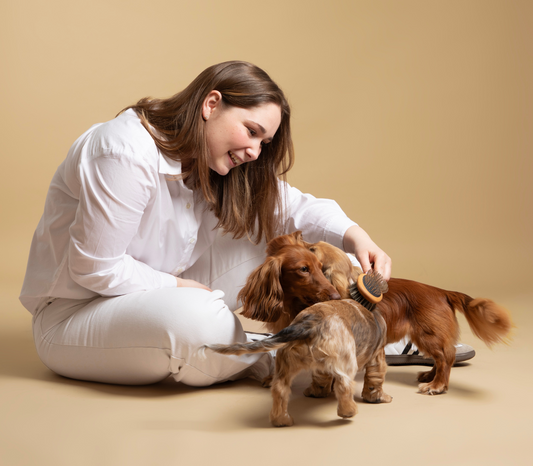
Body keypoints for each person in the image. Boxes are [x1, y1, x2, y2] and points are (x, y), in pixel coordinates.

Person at [19, 60, 468, 387]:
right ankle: (289, 357)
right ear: (211, 104)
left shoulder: (216, 164)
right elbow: (94, 268)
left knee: (296, 257)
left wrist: (357, 236)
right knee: (200, 324)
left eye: (265, 142)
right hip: (77, 315)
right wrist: (189, 291)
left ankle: (366, 339)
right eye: (251, 132)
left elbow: (297, 206)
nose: (255, 151)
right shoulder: (121, 150)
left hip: (161, 286)